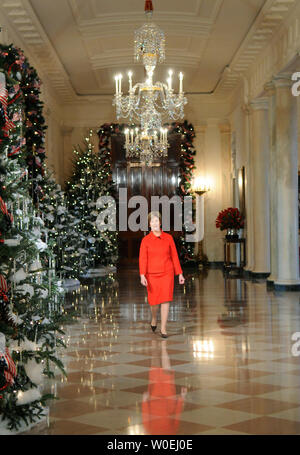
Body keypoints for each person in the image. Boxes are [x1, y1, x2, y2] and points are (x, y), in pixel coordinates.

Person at [139, 211, 185, 338]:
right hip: (151, 275)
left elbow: (174, 256)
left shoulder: (168, 238)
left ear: (160, 222)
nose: (154, 223)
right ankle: (154, 318)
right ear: (149, 224)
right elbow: (143, 259)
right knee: (154, 302)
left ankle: (163, 328)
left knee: (165, 300)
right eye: (152, 221)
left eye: (156, 220)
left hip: (167, 273)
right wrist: (142, 275)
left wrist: (179, 273)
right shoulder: (145, 240)